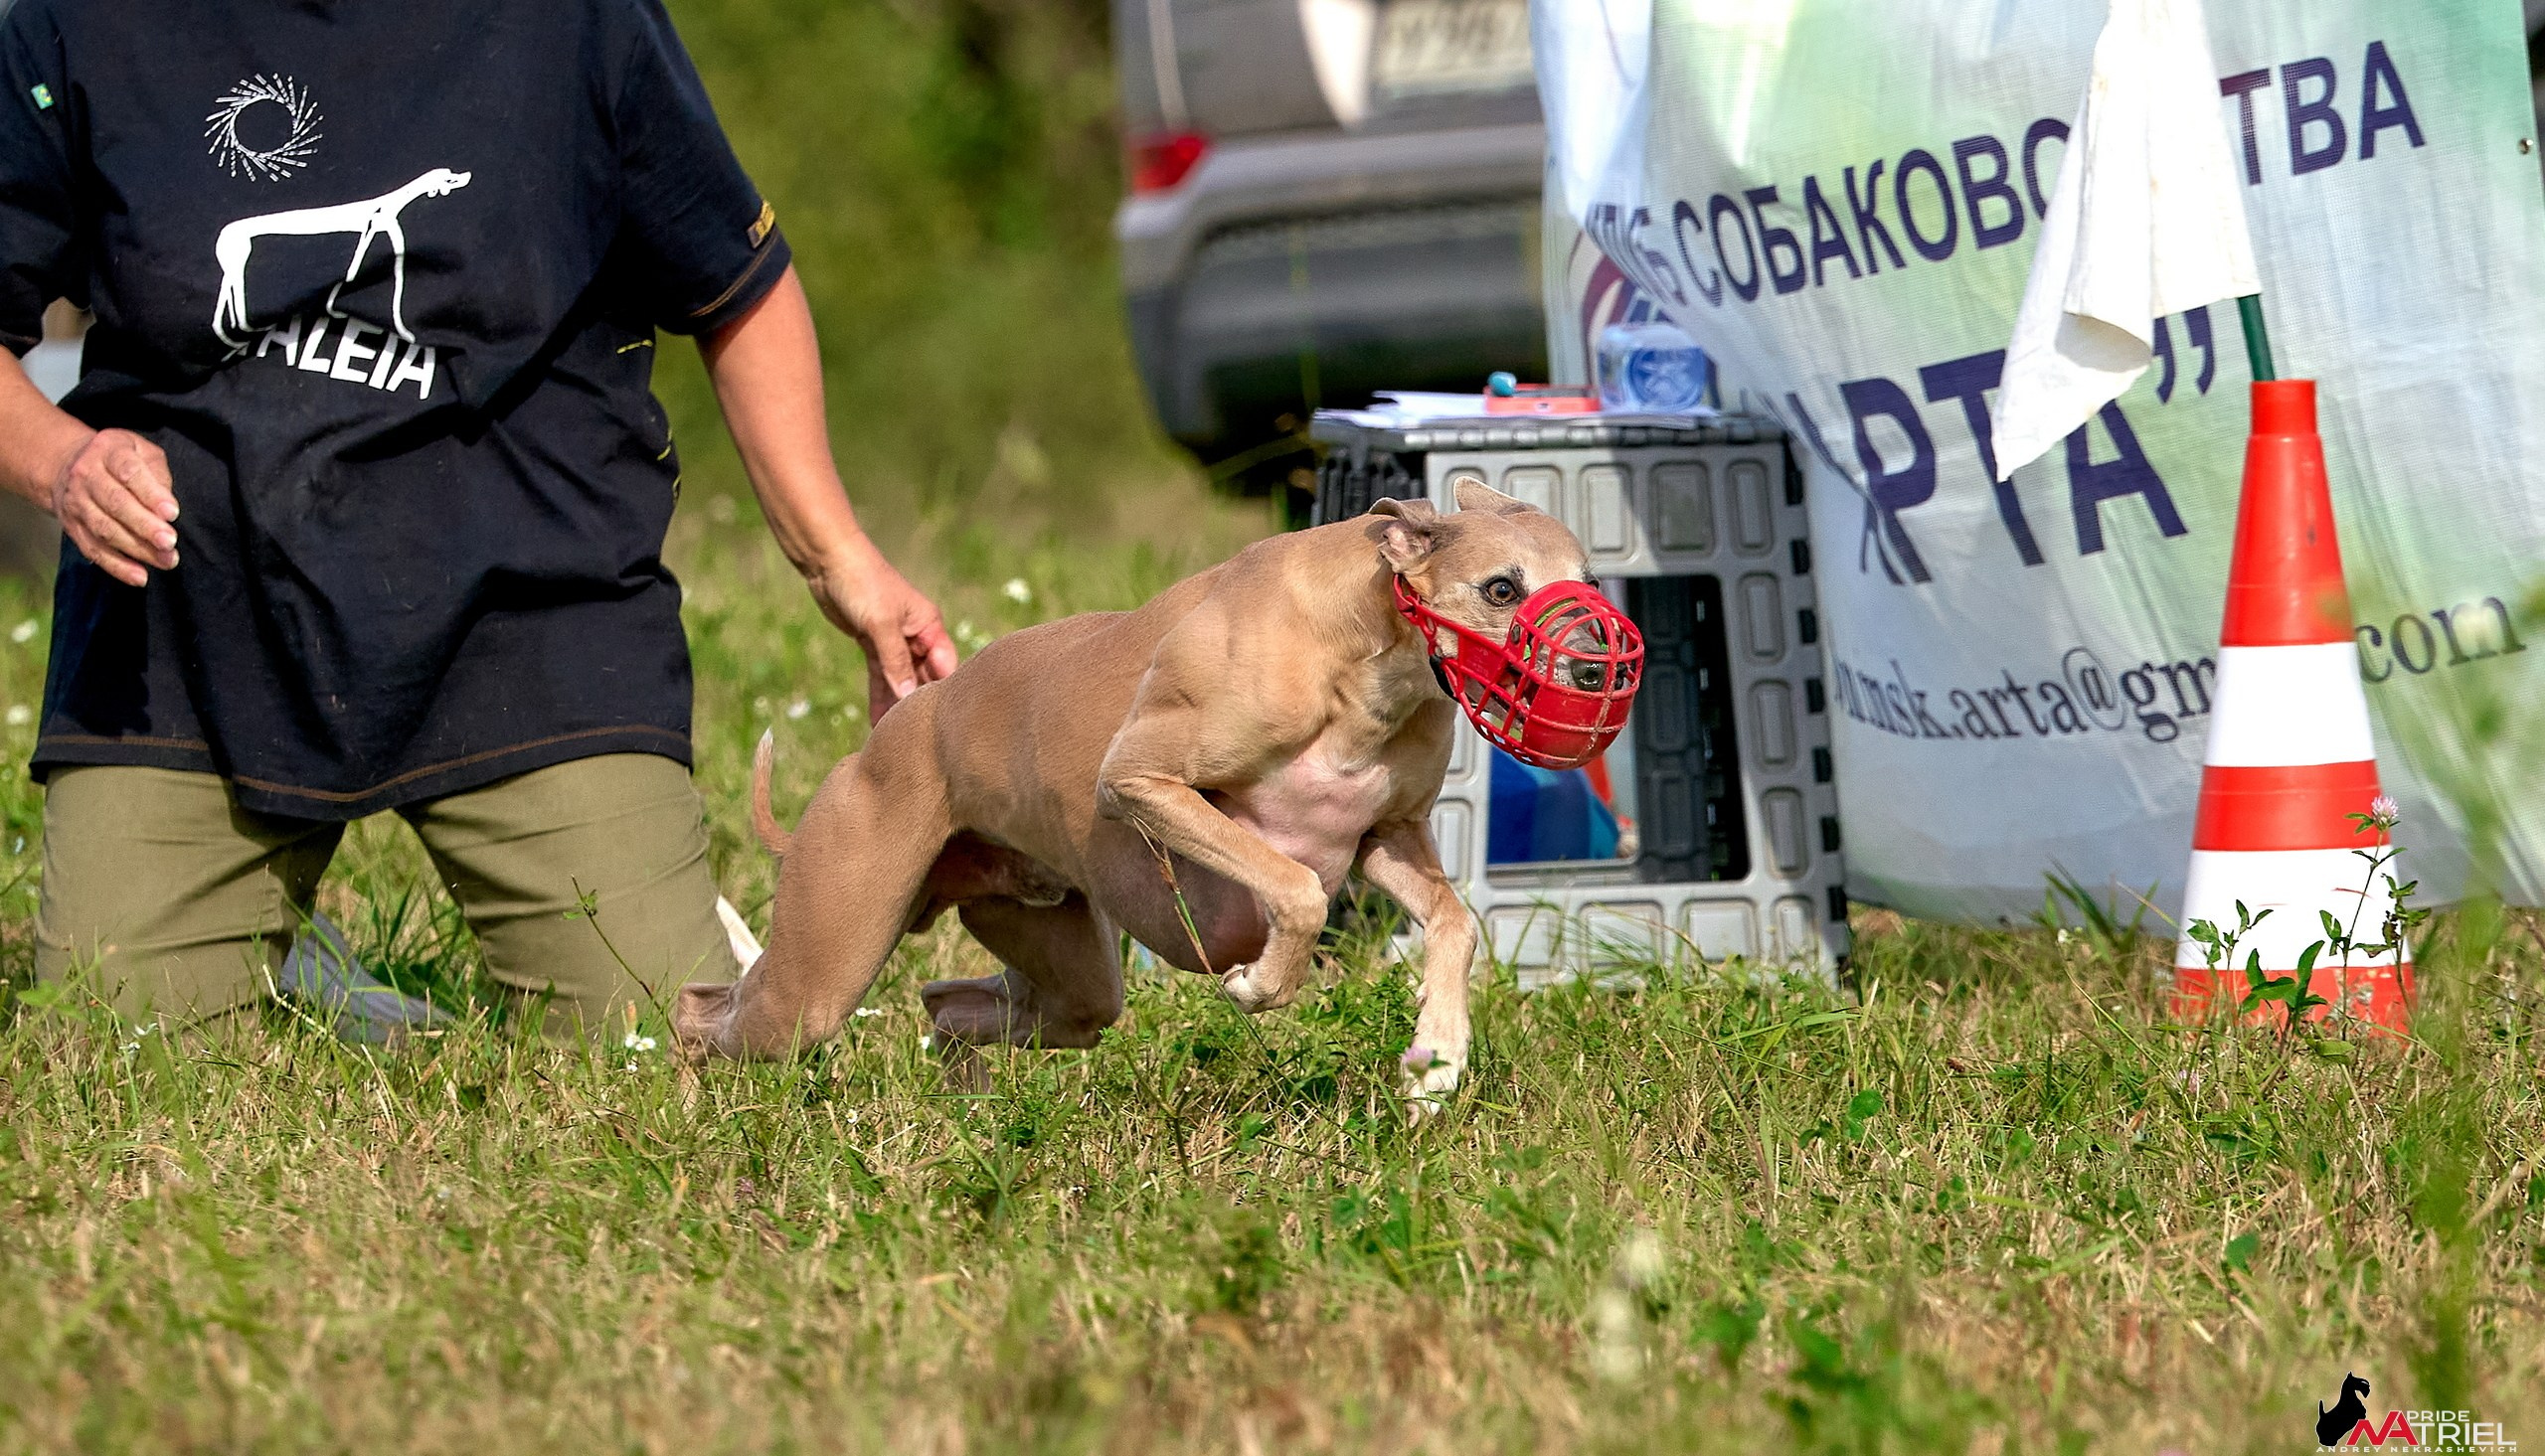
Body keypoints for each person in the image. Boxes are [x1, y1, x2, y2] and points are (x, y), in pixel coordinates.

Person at [0, 0, 957, 1033]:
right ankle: (291, 964)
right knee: (123, 1049)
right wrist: (65, 461)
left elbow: (734, 285)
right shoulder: (75, 24)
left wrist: (839, 560)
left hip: (525, 615)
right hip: (191, 628)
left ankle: (644, 922)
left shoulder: (575, 21)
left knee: (659, 1055)